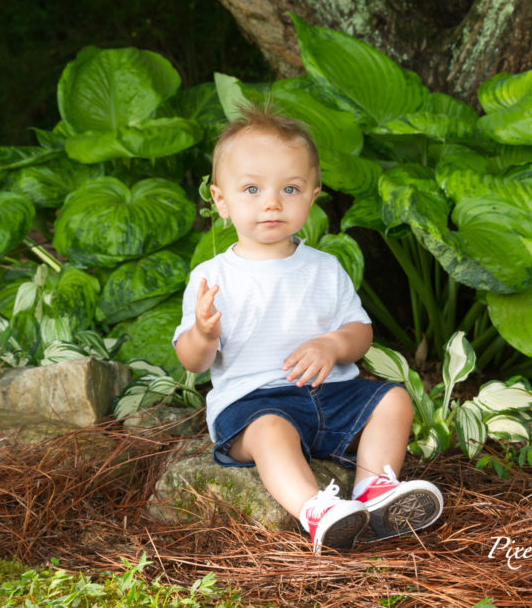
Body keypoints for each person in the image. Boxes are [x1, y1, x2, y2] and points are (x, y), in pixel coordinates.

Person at [173, 103, 442, 553]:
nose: (272, 203)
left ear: (313, 196)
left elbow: (361, 333)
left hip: (329, 398)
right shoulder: (212, 276)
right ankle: (317, 511)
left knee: (394, 399)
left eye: (290, 188)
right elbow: (192, 360)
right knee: (271, 430)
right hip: (252, 406)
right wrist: (203, 332)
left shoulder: (324, 268)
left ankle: (373, 491)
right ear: (221, 201)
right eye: (253, 188)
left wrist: (332, 344)